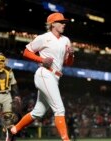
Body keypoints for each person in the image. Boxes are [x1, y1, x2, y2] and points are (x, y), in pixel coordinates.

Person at [9, 12, 74, 141]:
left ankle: (13, 130)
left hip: (55, 77)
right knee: (59, 109)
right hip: (45, 73)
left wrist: (71, 55)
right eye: (61, 22)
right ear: (53, 24)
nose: (64, 24)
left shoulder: (66, 40)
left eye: (64, 22)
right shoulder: (44, 37)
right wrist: (41, 59)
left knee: (38, 112)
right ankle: (66, 139)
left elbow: (68, 63)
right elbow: (26, 52)